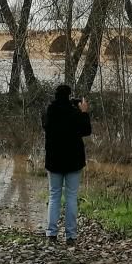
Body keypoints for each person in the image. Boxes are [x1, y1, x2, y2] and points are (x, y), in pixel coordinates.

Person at [42, 83, 91, 245]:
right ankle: (71, 236)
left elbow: (46, 126)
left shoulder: (50, 111)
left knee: (54, 196)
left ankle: (51, 233)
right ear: (69, 96)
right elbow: (86, 131)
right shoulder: (74, 112)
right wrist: (83, 112)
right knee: (71, 197)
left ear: (55, 95)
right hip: (73, 161)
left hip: (54, 160)